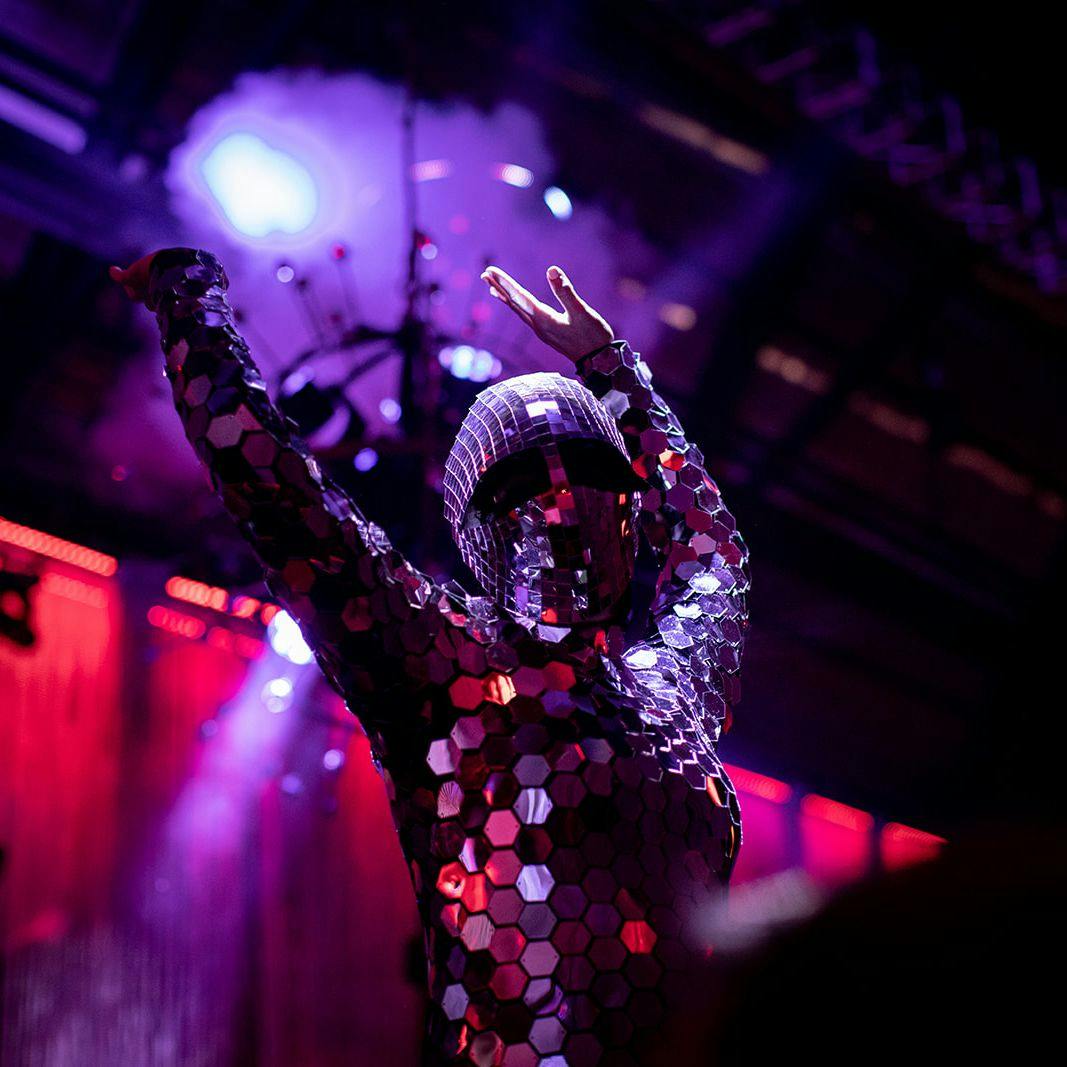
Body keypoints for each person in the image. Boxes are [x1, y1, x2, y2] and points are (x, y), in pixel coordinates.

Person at [111, 249, 750, 1066]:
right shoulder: (444, 660)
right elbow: (267, 477)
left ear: (628, 508)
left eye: (589, 474)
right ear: (483, 525)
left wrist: (612, 370)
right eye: (527, 483)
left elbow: (714, 552)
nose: (563, 501)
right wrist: (187, 296)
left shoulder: (673, 692)